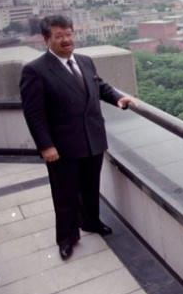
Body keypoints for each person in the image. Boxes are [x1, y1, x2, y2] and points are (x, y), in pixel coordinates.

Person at [20, 15, 135, 260]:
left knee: (91, 186)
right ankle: (66, 238)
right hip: (62, 145)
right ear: (46, 39)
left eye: (69, 34)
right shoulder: (35, 70)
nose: (66, 40)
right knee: (65, 193)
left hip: (92, 138)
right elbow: (34, 114)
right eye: (59, 36)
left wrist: (117, 98)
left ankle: (91, 221)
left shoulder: (85, 61)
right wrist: (46, 146)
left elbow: (98, 86)